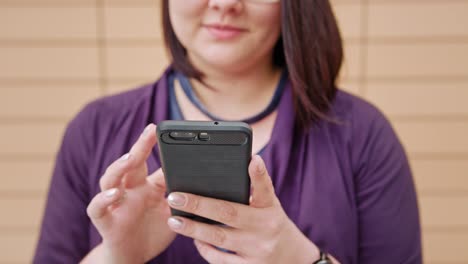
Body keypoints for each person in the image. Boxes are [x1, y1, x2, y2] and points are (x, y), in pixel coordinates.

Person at [33, 0, 422, 263]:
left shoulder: (363, 135)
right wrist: (116, 256)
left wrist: (300, 259)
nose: (224, 3)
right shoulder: (94, 129)